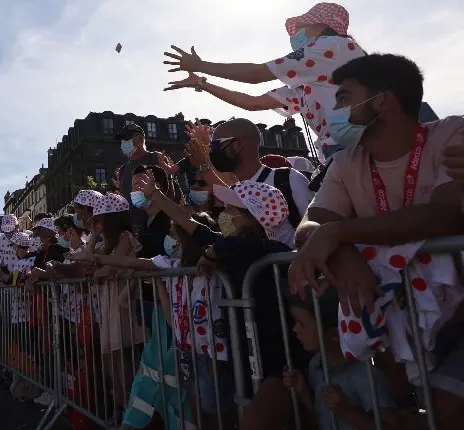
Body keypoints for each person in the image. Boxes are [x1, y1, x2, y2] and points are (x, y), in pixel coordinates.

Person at [289, 54, 464, 429]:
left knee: (447, 411)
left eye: (343, 98)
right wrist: (343, 253)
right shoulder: (346, 162)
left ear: (381, 100)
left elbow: (445, 215)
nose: (333, 109)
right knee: (414, 412)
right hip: (405, 329)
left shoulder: (452, 134)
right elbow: (310, 225)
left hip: (458, 316)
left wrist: (339, 234)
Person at [163, 2, 366, 166]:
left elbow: (256, 74)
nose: (297, 35)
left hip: (357, 148)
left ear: (321, 25)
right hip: (339, 153)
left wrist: (201, 65)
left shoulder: (331, 46)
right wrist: (201, 83)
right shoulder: (311, 82)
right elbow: (254, 103)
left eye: (303, 27)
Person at [284, 287, 400, 429]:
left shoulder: (366, 374)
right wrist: (303, 394)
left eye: (302, 324)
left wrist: (347, 412)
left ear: (335, 334)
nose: (295, 329)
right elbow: (320, 419)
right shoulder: (316, 365)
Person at [111, 123, 161, 238]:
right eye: (122, 140)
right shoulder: (123, 169)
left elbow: (173, 190)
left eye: (126, 139)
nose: (123, 143)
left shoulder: (155, 158)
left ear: (139, 138)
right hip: (132, 229)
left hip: (156, 226)